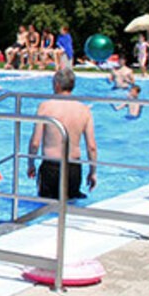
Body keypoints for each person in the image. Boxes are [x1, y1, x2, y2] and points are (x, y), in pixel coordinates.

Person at [26, 68, 97, 200]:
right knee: (70, 205)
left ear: (57, 85)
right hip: (73, 166)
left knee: (47, 207)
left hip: (51, 166)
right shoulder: (84, 110)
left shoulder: (45, 107)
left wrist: (31, 164)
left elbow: (35, 143)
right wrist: (93, 172)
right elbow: (91, 147)